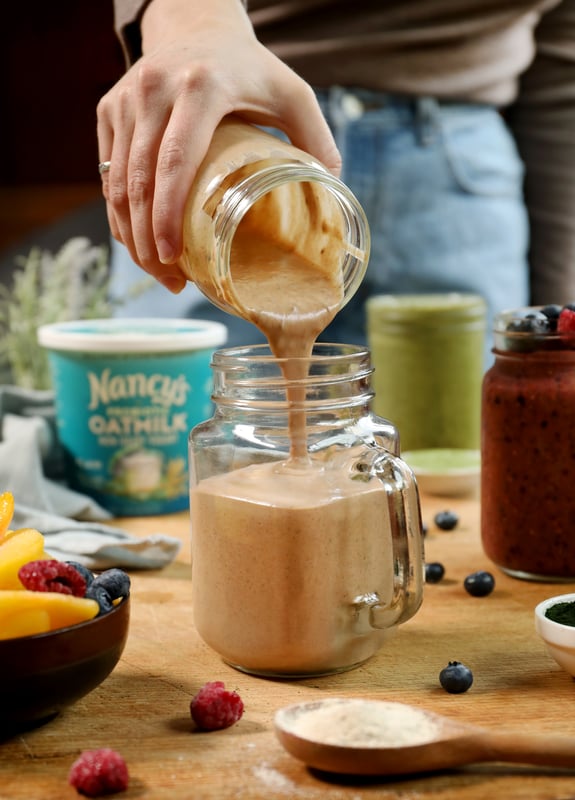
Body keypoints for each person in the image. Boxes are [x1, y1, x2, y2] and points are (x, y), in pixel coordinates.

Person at [98, 0, 575, 349]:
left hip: (460, 177)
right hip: (219, 134)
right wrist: (188, 18)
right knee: (162, 463)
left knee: (454, 473)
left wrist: (559, 323)